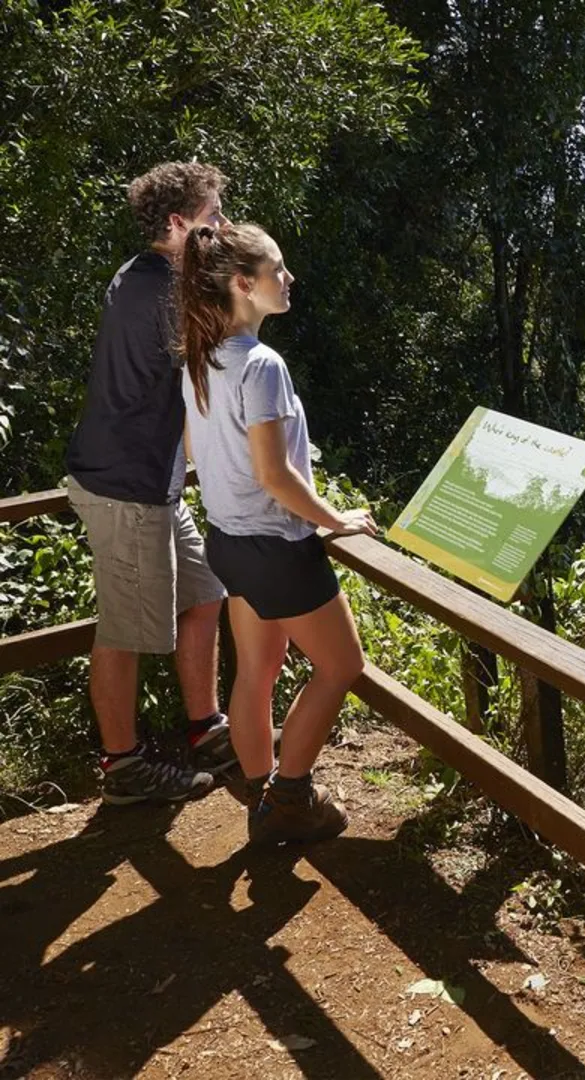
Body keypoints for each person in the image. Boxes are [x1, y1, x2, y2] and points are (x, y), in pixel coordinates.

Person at [177, 221, 377, 844]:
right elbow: (274, 473)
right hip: (276, 544)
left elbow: (196, 450)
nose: (289, 279)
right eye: (278, 271)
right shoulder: (261, 365)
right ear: (244, 284)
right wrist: (334, 520)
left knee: (256, 673)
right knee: (343, 666)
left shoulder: (201, 359)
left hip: (229, 543)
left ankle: (260, 791)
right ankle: (292, 799)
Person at [65, 162, 237, 805]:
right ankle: (124, 766)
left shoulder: (148, 274)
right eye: (213, 217)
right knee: (127, 629)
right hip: (126, 485)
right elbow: (221, 361)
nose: (222, 226)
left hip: (150, 480)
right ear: (178, 223)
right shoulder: (162, 292)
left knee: (203, 592)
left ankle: (205, 728)